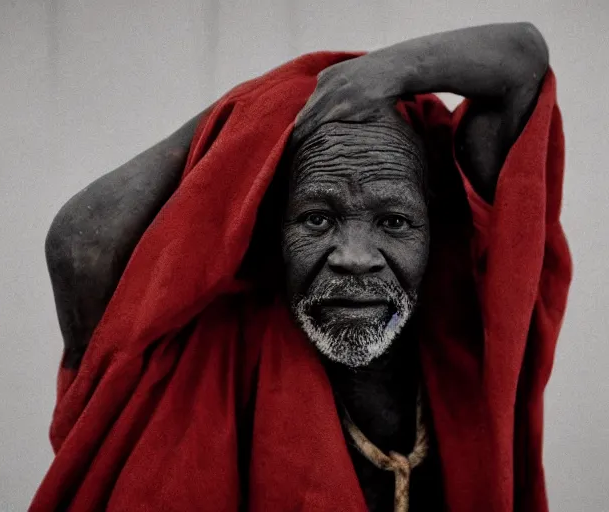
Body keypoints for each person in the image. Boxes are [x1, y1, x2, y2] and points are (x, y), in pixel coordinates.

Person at [36, 23, 569, 512]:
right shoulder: (212, 359)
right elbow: (80, 244)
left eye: (395, 222)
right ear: (271, 230)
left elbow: (522, 60)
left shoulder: (460, 344)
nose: (355, 258)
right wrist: (261, 112)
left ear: (437, 231)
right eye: (316, 218)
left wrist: (386, 71)